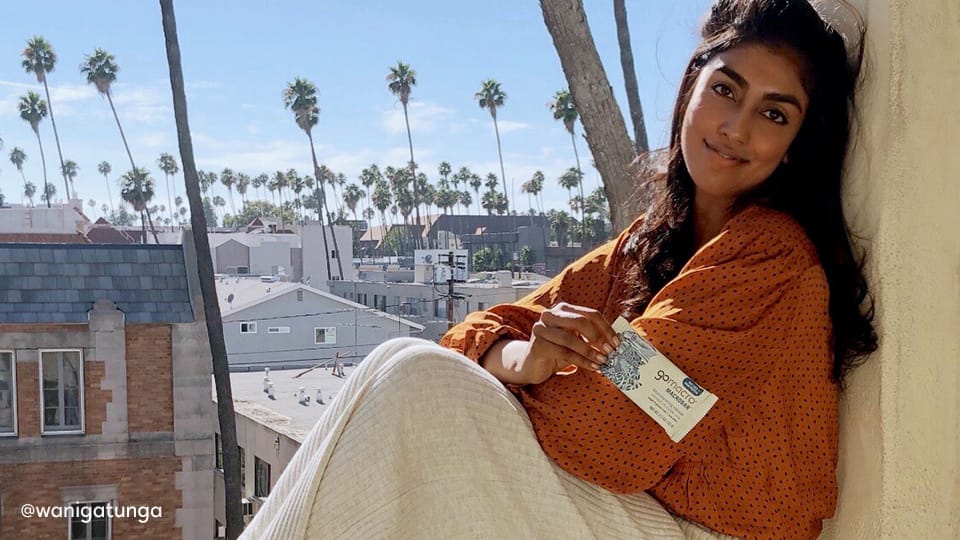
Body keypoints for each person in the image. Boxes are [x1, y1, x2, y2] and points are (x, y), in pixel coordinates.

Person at [241, 1, 877, 539]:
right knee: (405, 372)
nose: (736, 127)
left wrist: (561, 366)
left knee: (416, 382)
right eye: (726, 89)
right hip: (641, 511)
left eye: (773, 113)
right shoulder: (648, 246)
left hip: (711, 532)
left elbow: (616, 431)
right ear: (691, 92)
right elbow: (477, 334)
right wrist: (529, 358)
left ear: (795, 145)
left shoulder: (769, 256)